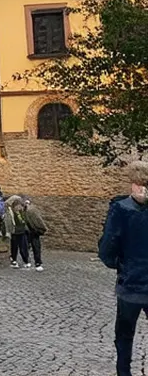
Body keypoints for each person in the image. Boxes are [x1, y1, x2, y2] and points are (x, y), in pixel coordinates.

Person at [99, 161, 148, 376]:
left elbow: (108, 247)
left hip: (130, 284)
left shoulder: (120, 209)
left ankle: (124, 373)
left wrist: (117, 264)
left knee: (124, 335)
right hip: (134, 281)